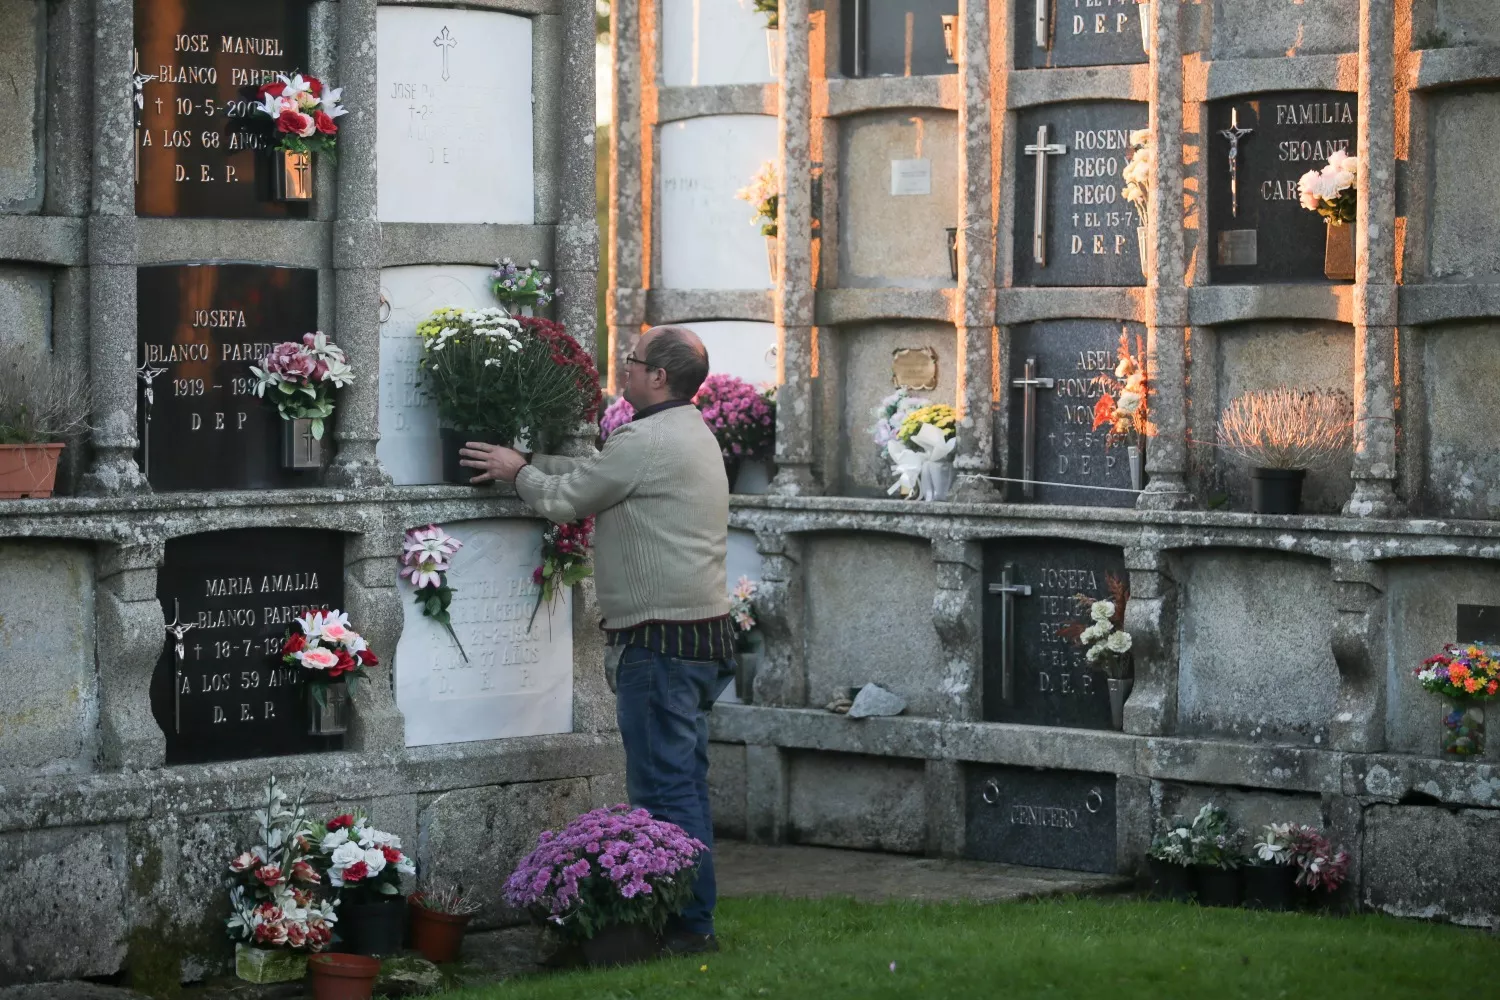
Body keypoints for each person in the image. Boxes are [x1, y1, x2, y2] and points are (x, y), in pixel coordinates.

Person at [458, 325, 733, 955]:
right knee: (684, 783)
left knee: (663, 790)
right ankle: (693, 918)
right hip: (701, 638)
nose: (625, 374)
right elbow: (599, 473)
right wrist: (528, 461)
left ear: (659, 376)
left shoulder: (646, 439)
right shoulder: (688, 432)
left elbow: (567, 499)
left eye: (633, 364)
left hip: (660, 642)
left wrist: (519, 471)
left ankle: (687, 928)